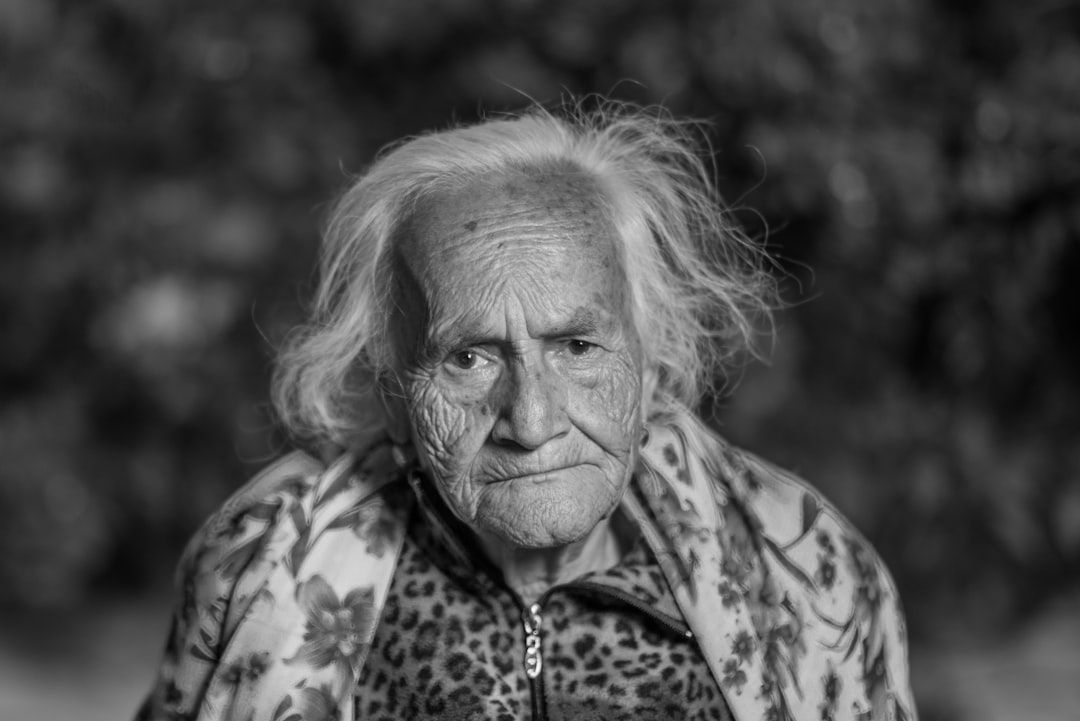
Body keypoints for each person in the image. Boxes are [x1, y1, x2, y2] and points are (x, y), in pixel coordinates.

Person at [135, 102, 917, 721]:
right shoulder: (262, 560)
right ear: (393, 388)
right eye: (468, 358)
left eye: (577, 345)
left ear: (652, 359)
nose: (532, 420)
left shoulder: (806, 565)